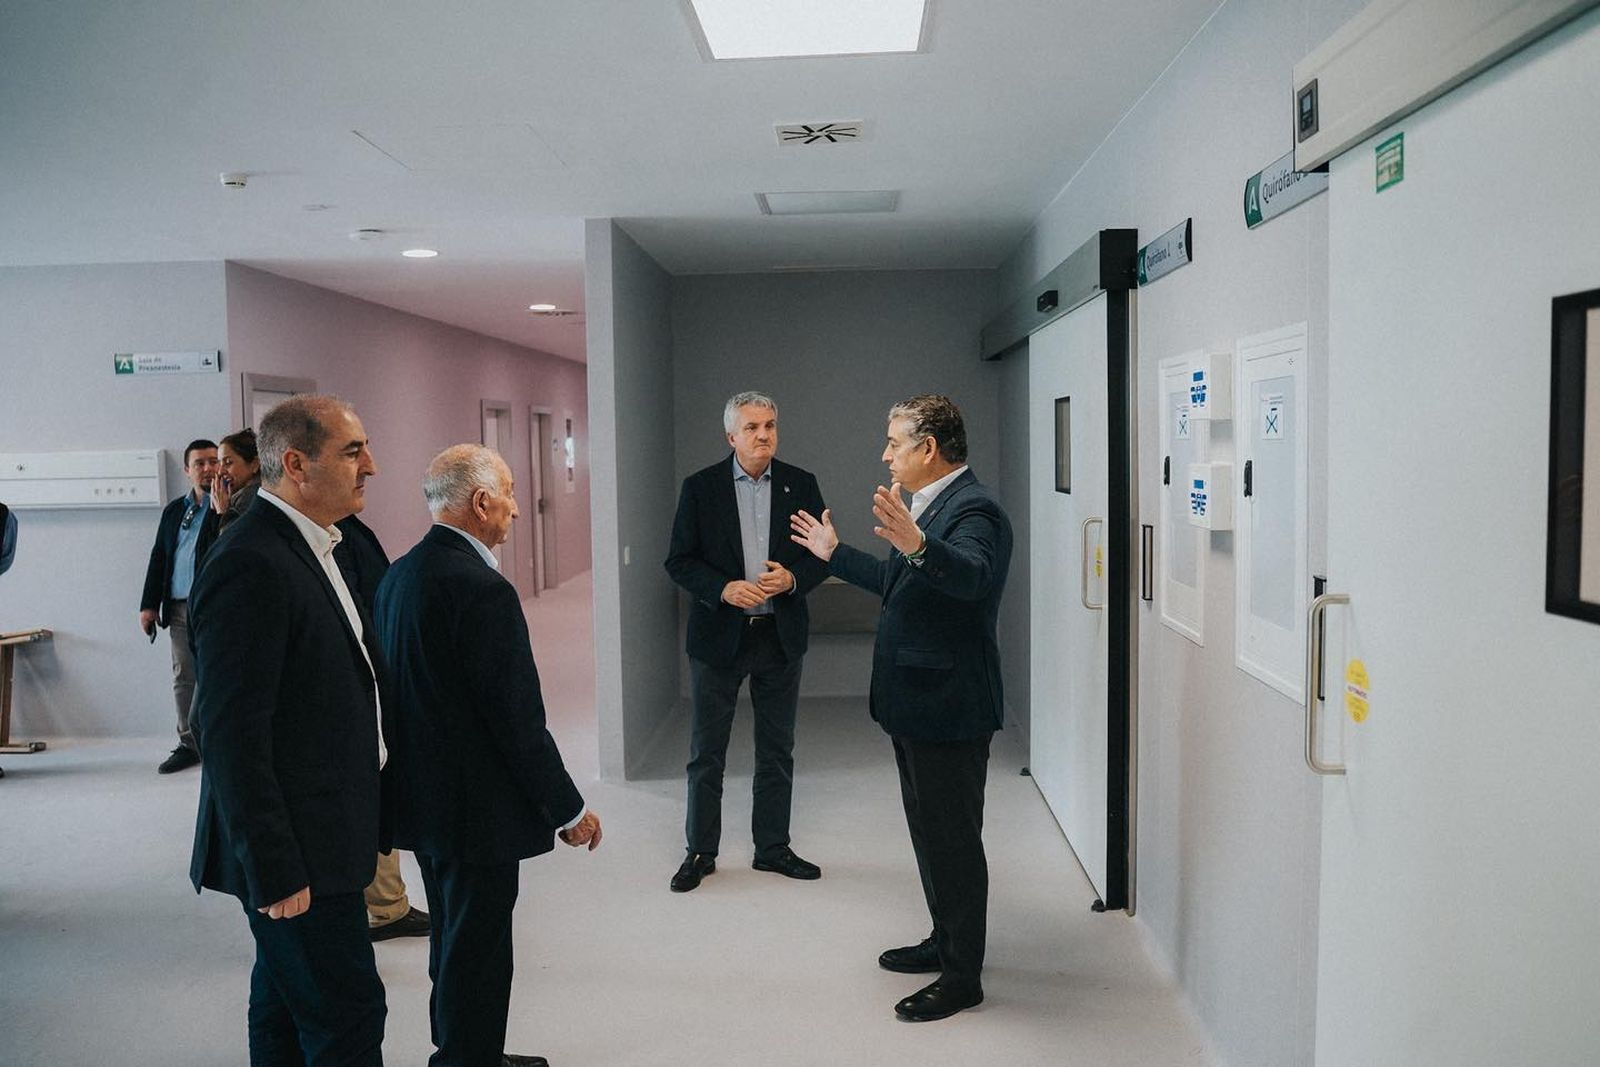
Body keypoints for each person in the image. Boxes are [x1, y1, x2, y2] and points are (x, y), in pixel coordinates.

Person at [375, 444, 600, 1067]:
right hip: (476, 807)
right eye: (507, 494)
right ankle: (468, 1059)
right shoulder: (482, 589)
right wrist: (568, 808)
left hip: (424, 798)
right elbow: (517, 721)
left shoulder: (402, 573)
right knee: (478, 943)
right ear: (480, 502)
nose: (516, 511)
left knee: (452, 931)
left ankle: (458, 1048)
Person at [789, 394, 1012, 1023]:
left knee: (953, 842)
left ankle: (963, 978)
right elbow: (899, 585)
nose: (885, 455)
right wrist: (835, 553)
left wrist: (919, 546)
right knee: (930, 835)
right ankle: (946, 941)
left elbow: (969, 577)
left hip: (950, 707)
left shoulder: (975, 510)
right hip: (916, 705)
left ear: (928, 449)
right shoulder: (929, 505)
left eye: (894, 443)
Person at [187, 395, 391, 1064]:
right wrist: (273, 867)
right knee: (347, 1012)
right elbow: (231, 734)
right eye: (354, 451)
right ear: (297, 464)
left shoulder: (319, 543)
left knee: (281, 1004)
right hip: (296, 848)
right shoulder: (252, 561)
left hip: (328, 826)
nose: (372, 465)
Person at [663, 391, 829, 893]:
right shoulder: (701, 488)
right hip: (720, 639)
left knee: (777, 749)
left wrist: (793, 580)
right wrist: (721, 588)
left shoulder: (802, 484)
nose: (764, 436)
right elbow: (679, 560)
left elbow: (822, 555)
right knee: (706, 752)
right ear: (731, 436)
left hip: (779, 636)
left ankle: (773, 848)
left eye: (771, 425)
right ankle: (700, 851)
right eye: (753, 427)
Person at [332, 511, 431, 944]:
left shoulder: (341, 529)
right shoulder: (274, 545)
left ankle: (385, 905)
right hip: (350, 693)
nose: (368, 466)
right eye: (353, 451)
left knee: (374, 788)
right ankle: (384, 908)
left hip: (364, 682)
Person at [139, 439, 221, 774]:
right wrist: (148, 604)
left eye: (214, 461)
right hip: (176, 607)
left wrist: (221, 509)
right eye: (200, 463)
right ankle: (189, 744)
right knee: (183, 677)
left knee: (212, 676)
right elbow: (160, 556)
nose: (208, 469)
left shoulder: (225, 508)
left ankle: (214, 740)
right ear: (187, 470)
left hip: (212, 608)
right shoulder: (175, 511)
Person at [211, 428, 262, 532]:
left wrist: (223, 512)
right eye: (219, 463)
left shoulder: (249, 499)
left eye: (228, 462)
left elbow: (230, 545)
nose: (220, 471)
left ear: (255, 464)